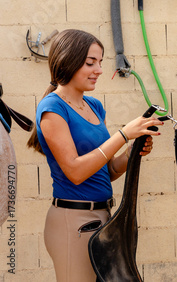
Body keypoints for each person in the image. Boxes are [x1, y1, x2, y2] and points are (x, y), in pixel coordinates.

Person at [26, 29, 163, 282]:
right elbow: (76, 172)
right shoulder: (52, 109)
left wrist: (130, 153)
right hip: (73, 221)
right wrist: (123, 135)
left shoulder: (95, 106)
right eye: (91, 63)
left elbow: (106, 171)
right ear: (68, 61)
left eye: (100, 62)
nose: (99, 69)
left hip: (104, 218)